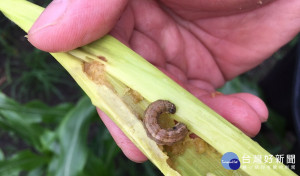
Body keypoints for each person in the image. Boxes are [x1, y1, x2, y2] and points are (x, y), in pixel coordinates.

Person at [27, 0, 300, 163]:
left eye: (172, 118)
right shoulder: (162, 116)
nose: (173, 116)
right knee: (275, 97)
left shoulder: (162, 117)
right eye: (174, 118)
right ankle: (280, 120)